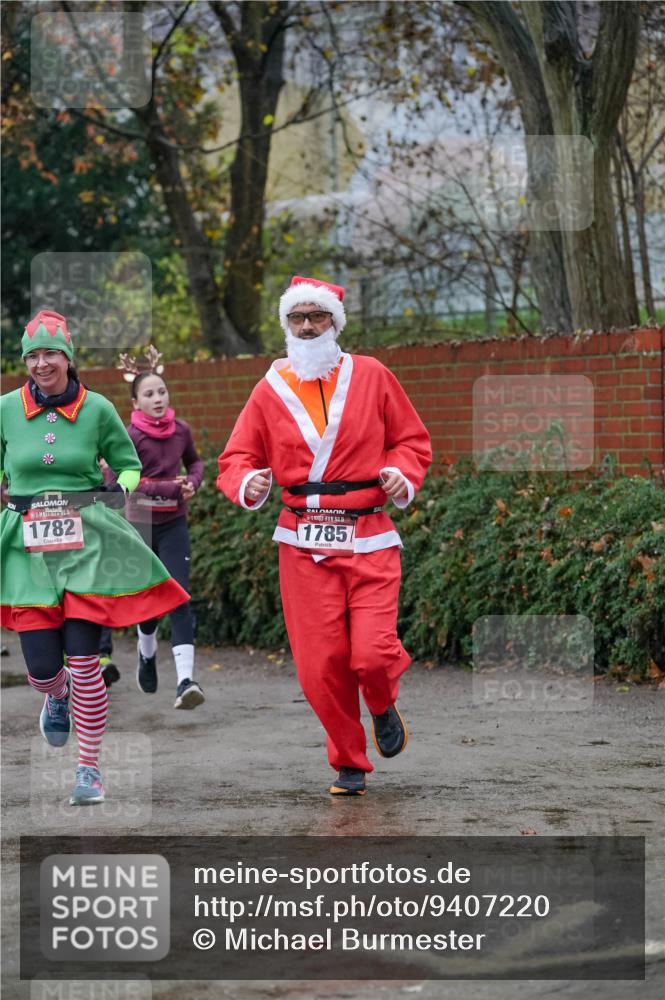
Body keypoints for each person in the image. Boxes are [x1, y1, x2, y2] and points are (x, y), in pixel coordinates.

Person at [217, 276, 431, 796]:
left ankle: (381, 702)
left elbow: (410, 439)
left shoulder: (374, 375)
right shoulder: (269, 389)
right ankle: (348, 761)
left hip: (369, 535)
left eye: (318, 316)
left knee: (372, 656)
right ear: (286, 325)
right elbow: (235, 457)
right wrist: (249, 481)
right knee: (320, 666)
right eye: (298, 318)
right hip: (301, 542)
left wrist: (402, 473)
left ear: (336, 322)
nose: (308, 326)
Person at [0, 310, 189, 805]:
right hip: (27, 547)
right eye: (33, 355)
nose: (42, 364)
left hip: (85, 543)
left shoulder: (99, 408)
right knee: (43, 670)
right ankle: (55, 696)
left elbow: (129, 465)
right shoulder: (4, 409)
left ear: (68, 357)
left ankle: (89, 769)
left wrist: (118, 491)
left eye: (51, 354)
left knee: (85, 661)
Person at [115, 349, 205, 710]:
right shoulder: (129, 435)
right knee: (150, 601)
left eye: (162, 392)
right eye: (149, 394)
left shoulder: (180, 430)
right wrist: (169, 487)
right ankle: (147, 653)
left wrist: (194, 483)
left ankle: (186, 682)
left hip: (173, 525)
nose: (157, 398)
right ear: (135, 401)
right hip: (140, 526)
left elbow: (194, 463)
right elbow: (122, 480)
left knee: (180, 596)